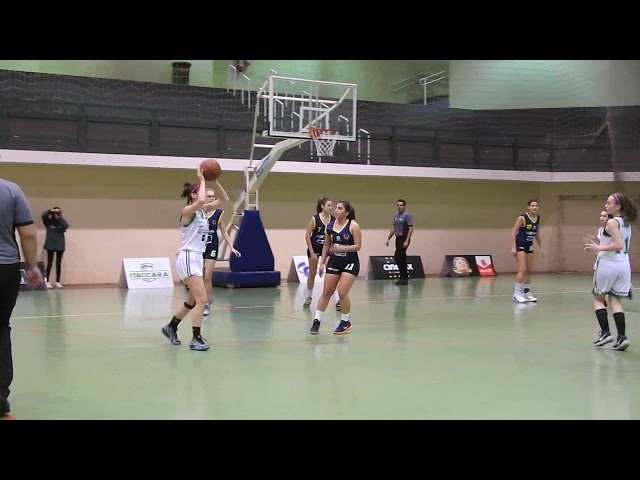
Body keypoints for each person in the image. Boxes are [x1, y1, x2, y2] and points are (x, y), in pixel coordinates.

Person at [161, 169, 224, 351]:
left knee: (192, 301)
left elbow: (225, 200)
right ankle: (196, 338)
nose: (206, 197)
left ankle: (171, 327)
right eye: (201, 191)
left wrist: (215, 181)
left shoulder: (205, 211)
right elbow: (202, 200)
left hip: (197, 258)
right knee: (202, 299)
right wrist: (201, 178)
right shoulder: (188, 210)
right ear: (193, 194)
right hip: (188, 256)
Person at [0, 177, 43, 417]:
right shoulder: (11, 189)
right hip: (5, 268)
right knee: (1, 329)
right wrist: (31, 266)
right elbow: (27, 233)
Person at [585, 192, 637, 351]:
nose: (606, 206)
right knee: (615, 301)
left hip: (608, 264)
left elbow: (618, 244)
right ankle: (622, 337)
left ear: (618, 206)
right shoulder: (626, 222)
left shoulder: (613, 222)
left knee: (598, 299)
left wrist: (597, 248)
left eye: (609, 203)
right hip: (624, 264)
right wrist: (601, 242)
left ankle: (606, 333)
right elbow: (617, 242)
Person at [309, 201, 361, 335]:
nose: (336, 210)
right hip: (335, 261)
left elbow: (358, 246)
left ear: (347, 212)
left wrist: (341, 248)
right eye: (336, 208)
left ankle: (345, 321)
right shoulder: (330, 226)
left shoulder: (353, 225)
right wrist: (322, 263)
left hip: (350, 262)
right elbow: (326, 246)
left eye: (339, 208)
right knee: (327, 291)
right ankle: (316, 321)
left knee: (342, 292)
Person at [202, 186, 240, 316]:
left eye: (213, 196)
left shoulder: (218, 213)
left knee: (207, 275)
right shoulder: (198, 212)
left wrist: (231, 247)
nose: (212, 198)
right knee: (199, 276)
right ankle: (205, 297)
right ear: (204, 197)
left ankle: (206, 303)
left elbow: (224, 232)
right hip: (199, 245)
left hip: (212, 244)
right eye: (209, 196)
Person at [303, 197, 340, 310]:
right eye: (329, 205)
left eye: (331, 205)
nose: (331, 207)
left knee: (331, 274)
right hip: (314, 249)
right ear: (322, 206)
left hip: (327, 250)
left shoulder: (334, 220)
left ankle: (337, 300)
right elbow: (307, 235)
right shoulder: (315, 219)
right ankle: (309, 297)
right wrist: (312, 253)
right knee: (312, 273)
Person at [510, 200, 542, 303]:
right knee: (522, 269)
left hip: (529, 245)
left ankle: (526, 293)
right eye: (532, 205)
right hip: (520, 244)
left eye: (536, 206)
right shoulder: (523, 217)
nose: (535, 207)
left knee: (528, 269)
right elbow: (514, 231)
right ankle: (516, 294)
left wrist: (542, 246)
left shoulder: (537, 218)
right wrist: (513, 247)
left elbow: (536, 233)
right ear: (528, 207)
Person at [585, 210, 614, 308]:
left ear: (610, 218)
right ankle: (603, 299)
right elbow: (600, 242)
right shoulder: (600, 230)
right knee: (597, 280)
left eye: (604, 216)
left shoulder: (613, 230)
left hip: (610, 259)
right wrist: (593, 239)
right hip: (601, 258)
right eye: (600, 216)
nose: (601, 218)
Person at [385, 199, 413, 286]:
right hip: (398, 238)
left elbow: (411, 228)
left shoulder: (407, 215)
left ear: (404, 206)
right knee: (402, 258)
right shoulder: (396, 215)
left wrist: (407, 240)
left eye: (401, 205)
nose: (399, 207)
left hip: (404, 238)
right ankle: (404, 277)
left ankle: (403, 277)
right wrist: (388, 238)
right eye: (398, 205)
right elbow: (394, 227)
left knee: (397, 257)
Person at [41, 206, 69, 288]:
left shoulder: (61, 222)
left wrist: (60, 218)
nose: (56, 214)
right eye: (55, 213)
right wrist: (50, 211)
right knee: (49, 263)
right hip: (50, 245)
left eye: (58, 213)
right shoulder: (48, 222)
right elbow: (43, 216)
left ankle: (57, 281)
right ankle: (47, 281)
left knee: (58, 263)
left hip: (60, 245)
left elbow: (66, 226)